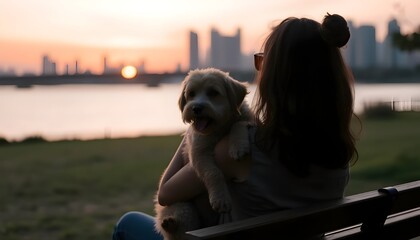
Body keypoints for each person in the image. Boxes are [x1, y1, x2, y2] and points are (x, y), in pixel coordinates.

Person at [112, 13, 358, 240]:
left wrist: (196, 127)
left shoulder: (242, 149)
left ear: (276, 78)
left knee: (127, 223)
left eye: (262, 62)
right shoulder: (338, 156)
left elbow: (166, 193)